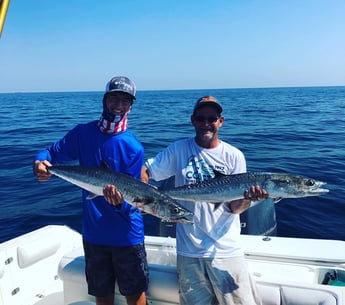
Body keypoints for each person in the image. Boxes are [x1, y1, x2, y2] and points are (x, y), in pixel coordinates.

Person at [141, 95, 268, 305]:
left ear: (221, 121)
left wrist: (249, 200)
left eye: (212, 118)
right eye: (201, 119)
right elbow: (146, 170)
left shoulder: (234, 156)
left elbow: (235, 208)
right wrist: (141, 193)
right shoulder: (179, 150)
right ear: (193, 120)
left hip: (226, 250)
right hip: (188, 251)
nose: (206, 124)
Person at [33, 76, 148, 305]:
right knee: (102, 296)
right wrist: (40, 163)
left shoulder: (133, 147)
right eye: (114, 97)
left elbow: (135, 198)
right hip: (94, 235)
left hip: (127, 235)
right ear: (104, 100)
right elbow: (50, 153)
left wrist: (119, 204)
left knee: (135, 297)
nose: (118, 104)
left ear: (131, 107)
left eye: (125, 100)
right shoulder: (82, 134)